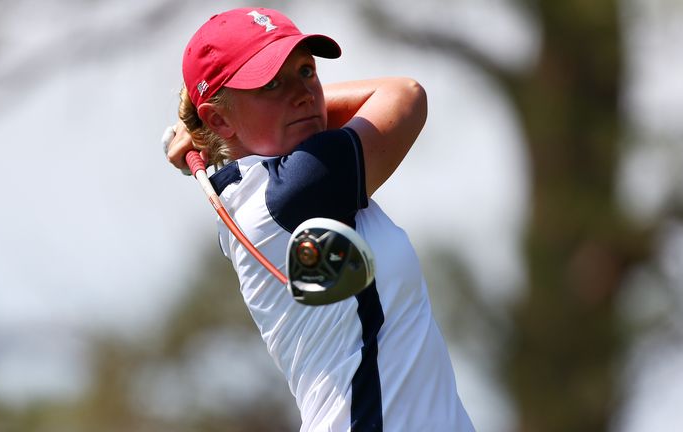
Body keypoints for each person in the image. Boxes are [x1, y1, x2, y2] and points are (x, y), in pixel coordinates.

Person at [164, 7, 475, 432]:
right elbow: (406, 93)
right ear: (220, 118)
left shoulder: (265, 187)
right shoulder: (297, 189)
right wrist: (205, 129)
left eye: (307, 71)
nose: (304, 93)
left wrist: (215, 127)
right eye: (272, 83)